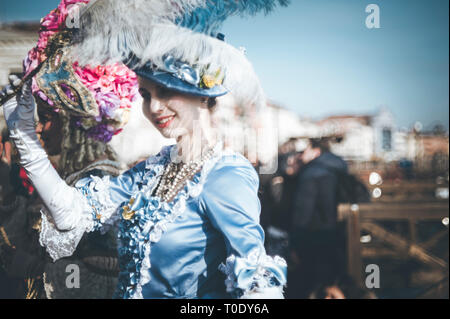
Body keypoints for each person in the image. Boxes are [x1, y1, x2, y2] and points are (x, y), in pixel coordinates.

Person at [1, 0, 288, 299]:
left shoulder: (226, 175)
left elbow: (259, 289)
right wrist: (24, 135)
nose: (154, 107)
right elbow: (70, 214)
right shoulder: (153, 171)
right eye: (145, 94)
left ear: (204, 95)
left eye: (165, 91)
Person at [0, 0, 138, 298]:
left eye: (46, 118)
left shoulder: (100, 182)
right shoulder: (73, 174)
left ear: (75, 124)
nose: (39, 127)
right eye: (37, 119)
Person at [287, 138, 348, 298]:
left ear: (316, 151)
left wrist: (294, 243)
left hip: (314, 236)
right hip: (336, 233)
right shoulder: (336, 168)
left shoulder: (311, 174)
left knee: (312, 284)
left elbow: (303, 212)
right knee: (331, 282)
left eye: (304, 151)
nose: (300, 156)